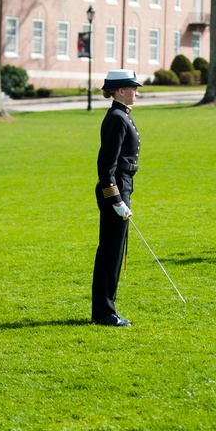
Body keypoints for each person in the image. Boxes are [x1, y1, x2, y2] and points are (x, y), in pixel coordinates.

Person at [92, 69, 142, 327]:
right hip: (116, 187)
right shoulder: (116, 118)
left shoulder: (122, 115)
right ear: (120, 90)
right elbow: (106, 167)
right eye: (133, 88)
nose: (137, 92)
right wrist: (116, 200)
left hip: (124, 184)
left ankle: (105, 308)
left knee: (114, 252)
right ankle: (104, 312)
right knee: (110, 252)